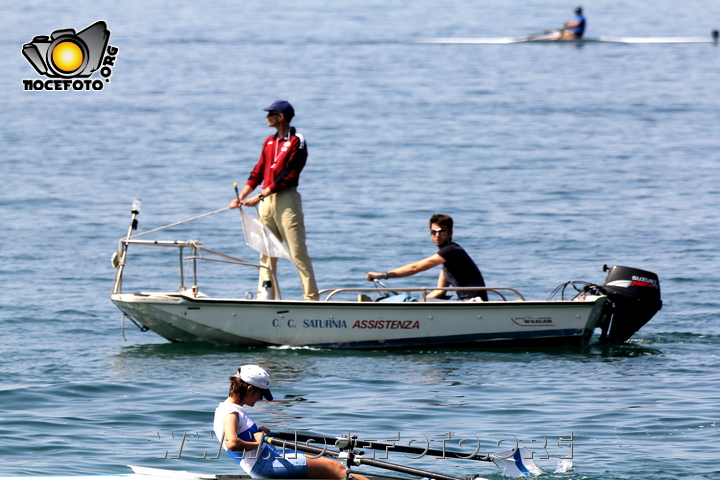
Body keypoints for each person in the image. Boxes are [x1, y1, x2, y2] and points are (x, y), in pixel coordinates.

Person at [229, 101, 319, 301]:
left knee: (297, 253)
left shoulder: (297, 141)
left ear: (282, 117)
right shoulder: (269, 141)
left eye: (271, 113)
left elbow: (288, 175)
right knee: (266, 252)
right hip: (266, 203)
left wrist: (260, 196)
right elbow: (259, 170)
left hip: (286, 201)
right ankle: (266, 297)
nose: (267, 117)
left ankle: (311, 299)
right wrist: (242, 196)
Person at [213, 365, 369, 480]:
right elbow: (232, 444)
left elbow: (243, 437)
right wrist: (258, 443)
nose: (261, 399)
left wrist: (264, 434)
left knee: (315, 453)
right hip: (265, 465)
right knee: (335, 467)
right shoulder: (231, 413)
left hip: (269, 457)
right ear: (249, 389)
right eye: (261, 394)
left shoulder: (228, 409)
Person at [365, 214, 488, 301]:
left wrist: (382, 275)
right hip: (463, 300)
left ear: (450, 233)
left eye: (442, 232)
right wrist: (419, 301)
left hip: (472, 302)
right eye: (434, 232)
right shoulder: (447, 260)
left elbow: (415, 268)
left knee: (408, 300)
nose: (437, 235)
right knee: (419, 299)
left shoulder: (452, 250)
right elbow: (440, 291)